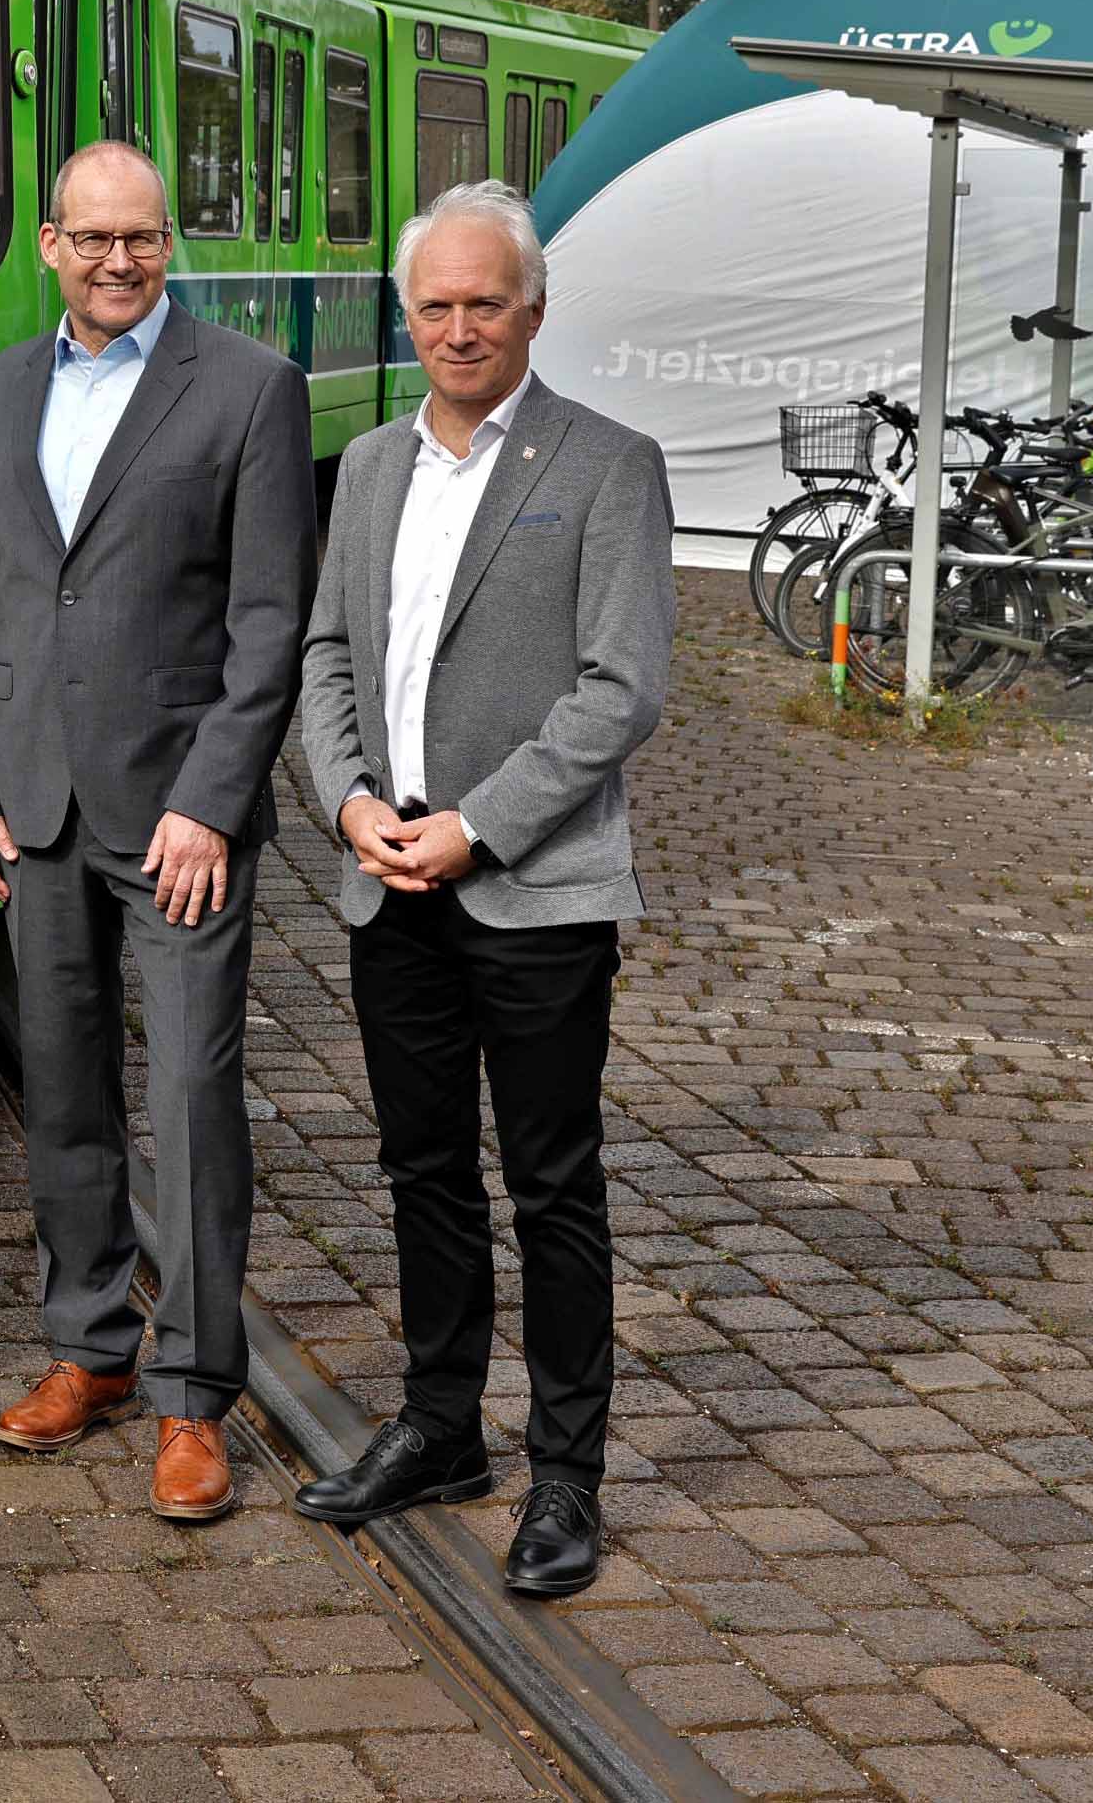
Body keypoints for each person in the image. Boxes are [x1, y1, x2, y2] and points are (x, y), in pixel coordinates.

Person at [293, 180, 673, 1601]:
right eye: (434, 304)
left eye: (483, 302)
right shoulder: (370, 469)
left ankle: (565, 1467)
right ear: (408, 313)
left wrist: (474, 825)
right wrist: (342, 803)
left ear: (530, 308)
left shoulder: (604, 463)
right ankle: (441, 1425)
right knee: (420, 1167)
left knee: (551, 1181)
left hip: (533, 887)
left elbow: (617, 686)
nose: (457, 327)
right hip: (383, 879)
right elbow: (327, 654)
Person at [0, 141, 316, 1522]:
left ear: (170, 245)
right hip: (31, 802)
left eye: (139, 239)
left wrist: (213, 800)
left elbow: (269, 620)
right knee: (62, 1084)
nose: (114, 261)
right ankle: (88, 1343)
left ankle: (194, 1392)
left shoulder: (249, 390)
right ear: (48, 244)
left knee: (193, 1095)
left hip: (177, 820)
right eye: (90, 239)